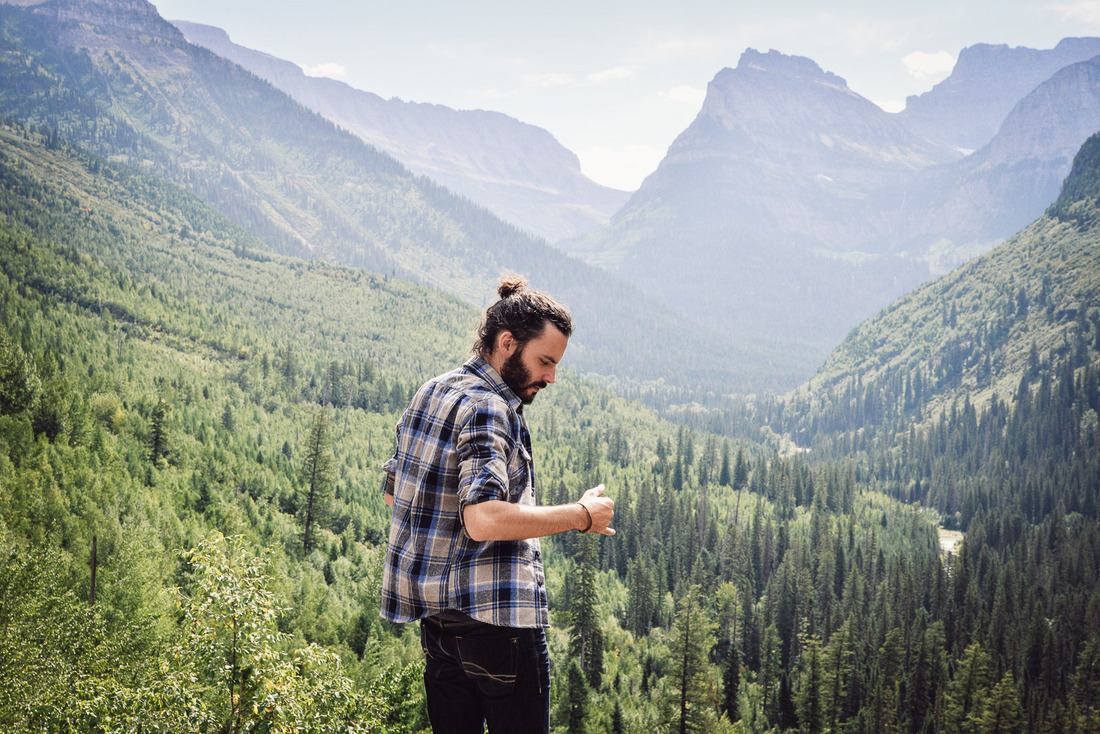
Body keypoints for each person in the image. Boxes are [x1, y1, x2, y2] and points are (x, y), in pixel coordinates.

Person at [380, 275, 614, 733]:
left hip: (440, 627)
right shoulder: (489, 407)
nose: (551, 377)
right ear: (507, 343)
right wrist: (581, 515)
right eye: (545, 361)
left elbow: (394, 493)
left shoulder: (432, 390)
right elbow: (483, 519)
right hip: (499, 627)